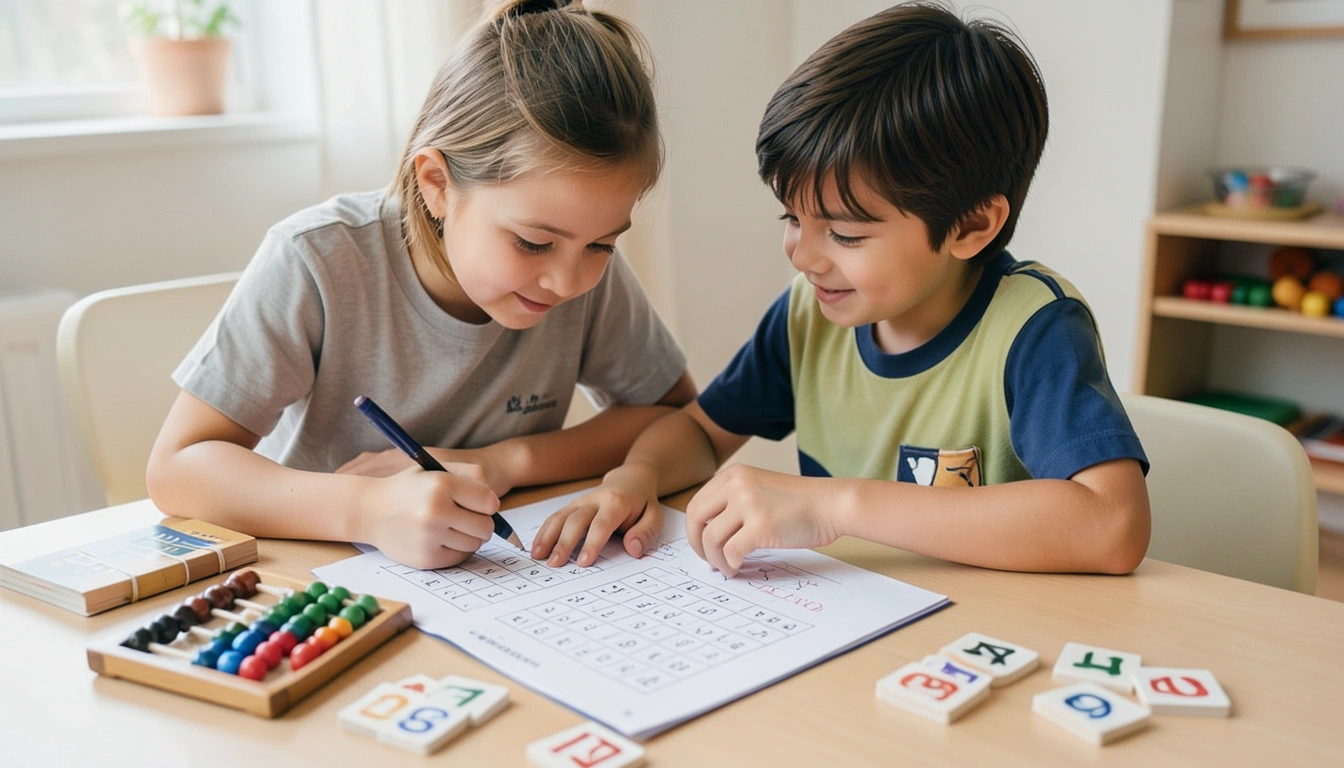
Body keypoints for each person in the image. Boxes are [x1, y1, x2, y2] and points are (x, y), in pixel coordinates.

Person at [530, 1, 1150, 577]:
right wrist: (634, 477)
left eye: (845, 234)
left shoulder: (1034, 328)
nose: (803, 255)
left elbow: (1113, 526)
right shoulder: (809, 315)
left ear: (970, 226)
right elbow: (699, 432)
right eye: (792, 218)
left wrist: (835, 505)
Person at [147, 0, 694, 570]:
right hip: (325, 577)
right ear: (437, 184)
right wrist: (364, 508)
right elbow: (177, 468)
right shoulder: (316, 260)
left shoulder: (580, 269)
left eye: (602, 245)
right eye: (533, 243)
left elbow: (676, 417)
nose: (567, 280)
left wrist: (507, 461)